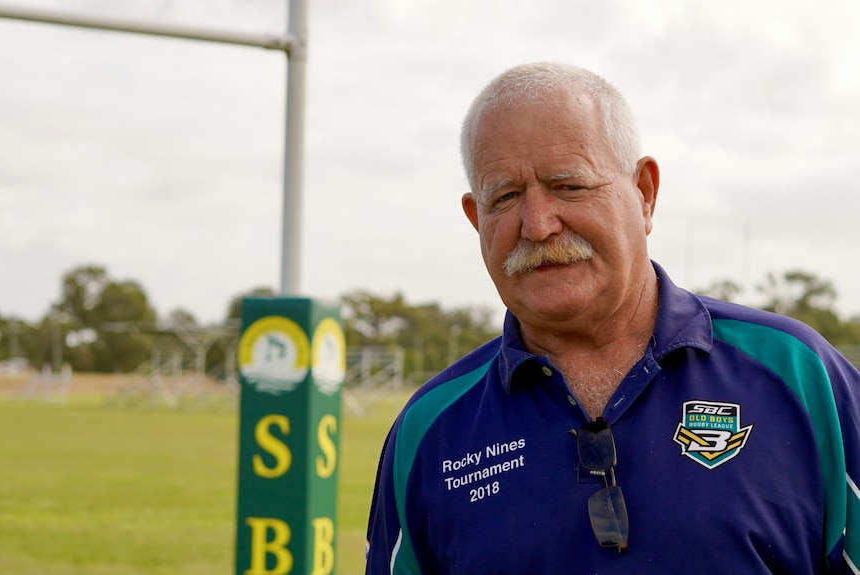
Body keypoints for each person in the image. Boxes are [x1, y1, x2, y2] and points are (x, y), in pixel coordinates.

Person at [364, 62, 860, 574]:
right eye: (506, 196)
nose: (537, 225)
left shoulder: (799, 376)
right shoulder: (429, 431)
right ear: (476, 219)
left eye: (568, 186)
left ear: (644, 192)